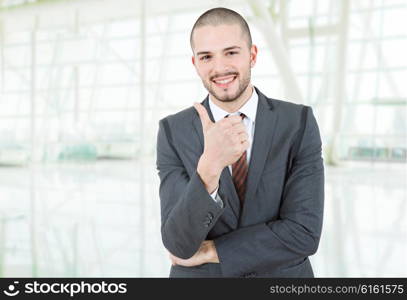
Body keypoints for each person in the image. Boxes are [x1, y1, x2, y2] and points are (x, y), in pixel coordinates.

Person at [156, 7, 324, 278]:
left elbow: (304, 233)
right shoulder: (173, 131)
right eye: (207, 57)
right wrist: (209, 168)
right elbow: (178, 244)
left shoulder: (297, 122)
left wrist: (214, 251)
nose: (220, 67)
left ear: (252, 55)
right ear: (195, 64)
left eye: (231, 52)